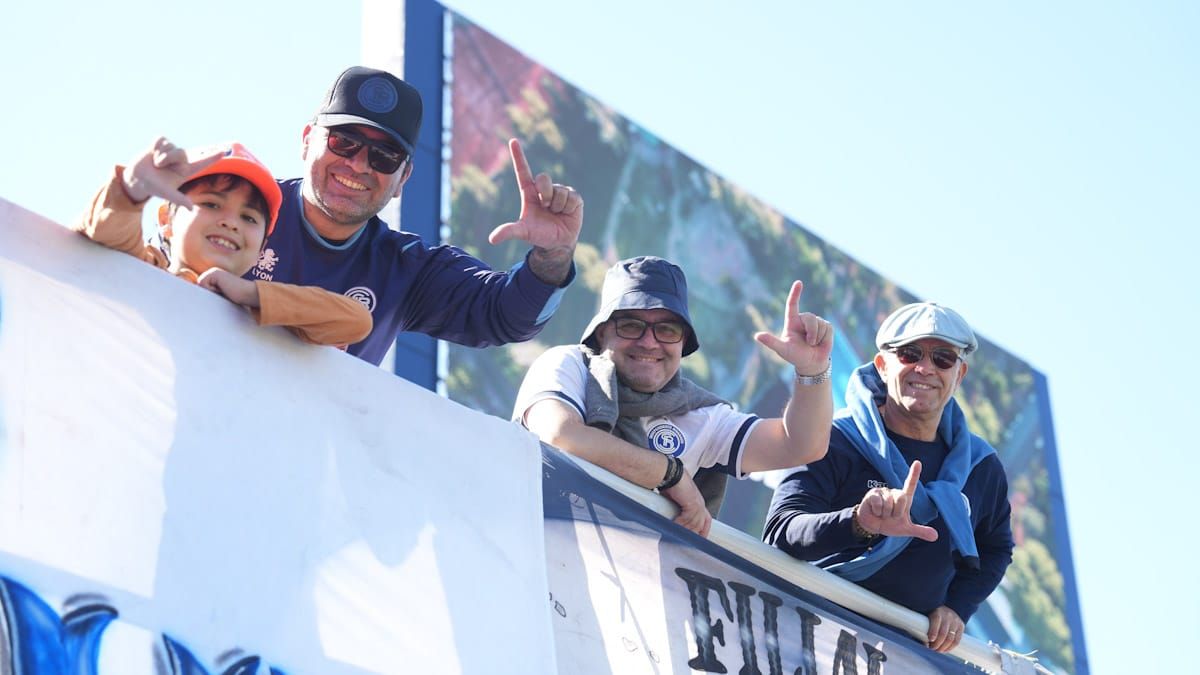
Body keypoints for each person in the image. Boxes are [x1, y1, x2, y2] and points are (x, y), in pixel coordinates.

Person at [247, 65, 583, 365]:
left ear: (402, 179)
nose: (359, 164)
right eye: (344, 141)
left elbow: (504, 316)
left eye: (384, 157)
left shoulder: (405, 268)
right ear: (308, 140)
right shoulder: (238, 201)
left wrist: (553, 254)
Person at [513, 256, 833, 537]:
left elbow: (801, 446)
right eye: (631, 325)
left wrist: (812, 370)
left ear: (683, 343)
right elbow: (561, 436)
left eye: (667, 330)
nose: (649, 342)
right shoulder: (569, 365)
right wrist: (670, 474)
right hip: (526, 556)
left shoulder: (704, 416)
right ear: (602, 332)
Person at [762, 302, 1014, 654]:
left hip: (903, 655)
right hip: (808, 635)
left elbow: (996, 548)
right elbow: (780, 532)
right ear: (882, 366)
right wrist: (858, 522)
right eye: (910, 354)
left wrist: (957, 606)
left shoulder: (981, 467)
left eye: (943, 358)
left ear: (959, 375)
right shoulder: (834, 439)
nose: (925, 368)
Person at [73, 138, 372, 347]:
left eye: (249, 218)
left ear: (262, 247)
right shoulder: (148, 268)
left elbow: (355, 321)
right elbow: (105, 235)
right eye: (212, 204)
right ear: (166, 219)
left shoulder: (263, 313)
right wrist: (130, 191)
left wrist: (251, 294)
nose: (231, 222)